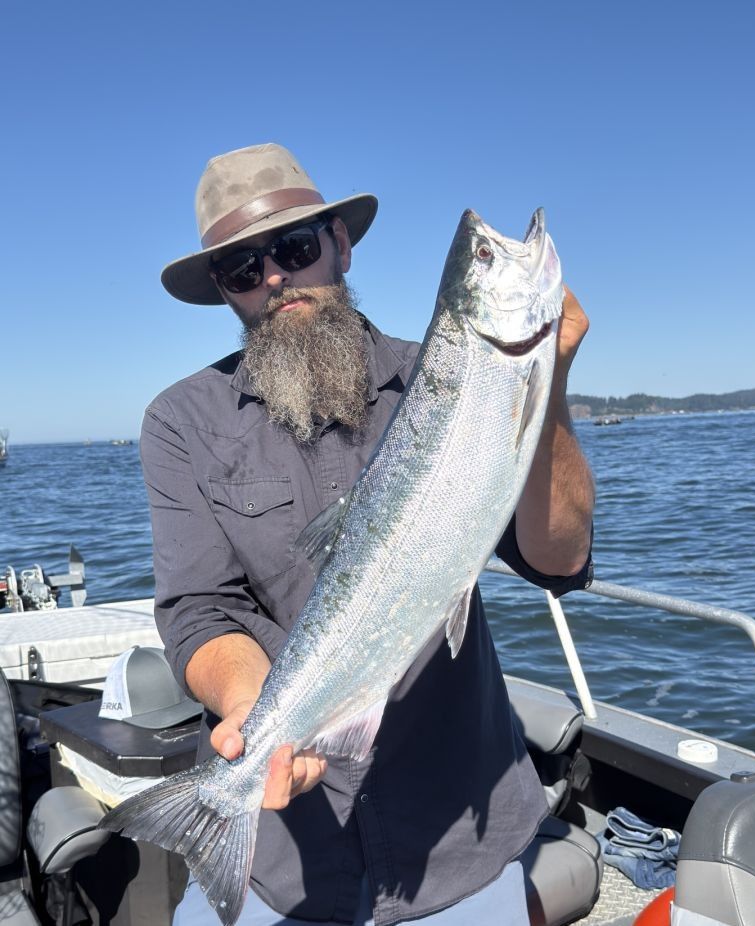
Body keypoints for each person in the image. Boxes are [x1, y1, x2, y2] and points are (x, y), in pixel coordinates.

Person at [142, 143, 595, 926]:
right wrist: (260, 716)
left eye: (292, 248)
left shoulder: (446, 380)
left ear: (339, 245)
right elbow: (198, 611)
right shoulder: (183, 422)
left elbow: (559, 559)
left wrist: (543, 383)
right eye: (243, 269)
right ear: (223, 291)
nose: (275, 278)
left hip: (459, 837)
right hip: (282, 859)